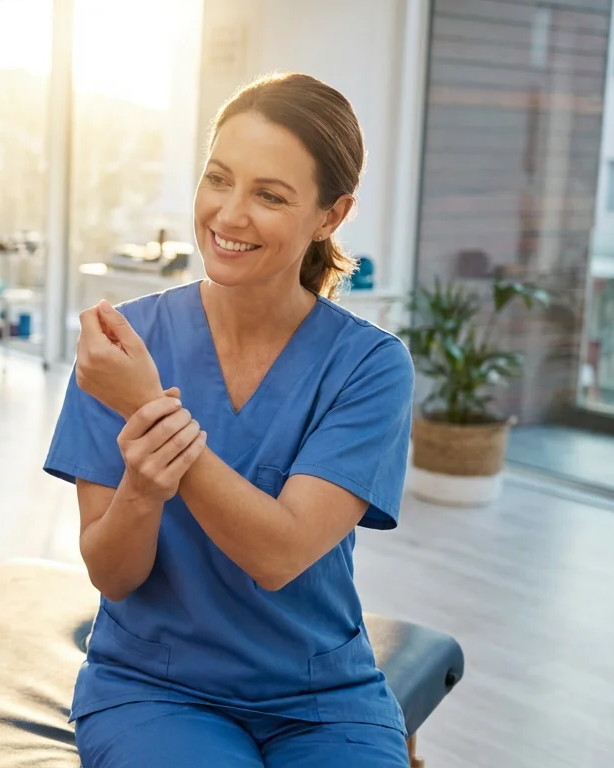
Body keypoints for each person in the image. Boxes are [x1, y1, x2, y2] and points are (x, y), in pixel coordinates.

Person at [43, 72, 416, 767]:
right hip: (154, 687)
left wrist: (149, 412)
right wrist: (142, 490)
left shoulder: (370, 366)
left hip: (321, 698)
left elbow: (278, 555)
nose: (229, 214)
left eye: (269, 196)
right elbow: (112, 574)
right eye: (219, 179)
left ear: (330, 216)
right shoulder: (124, 344)